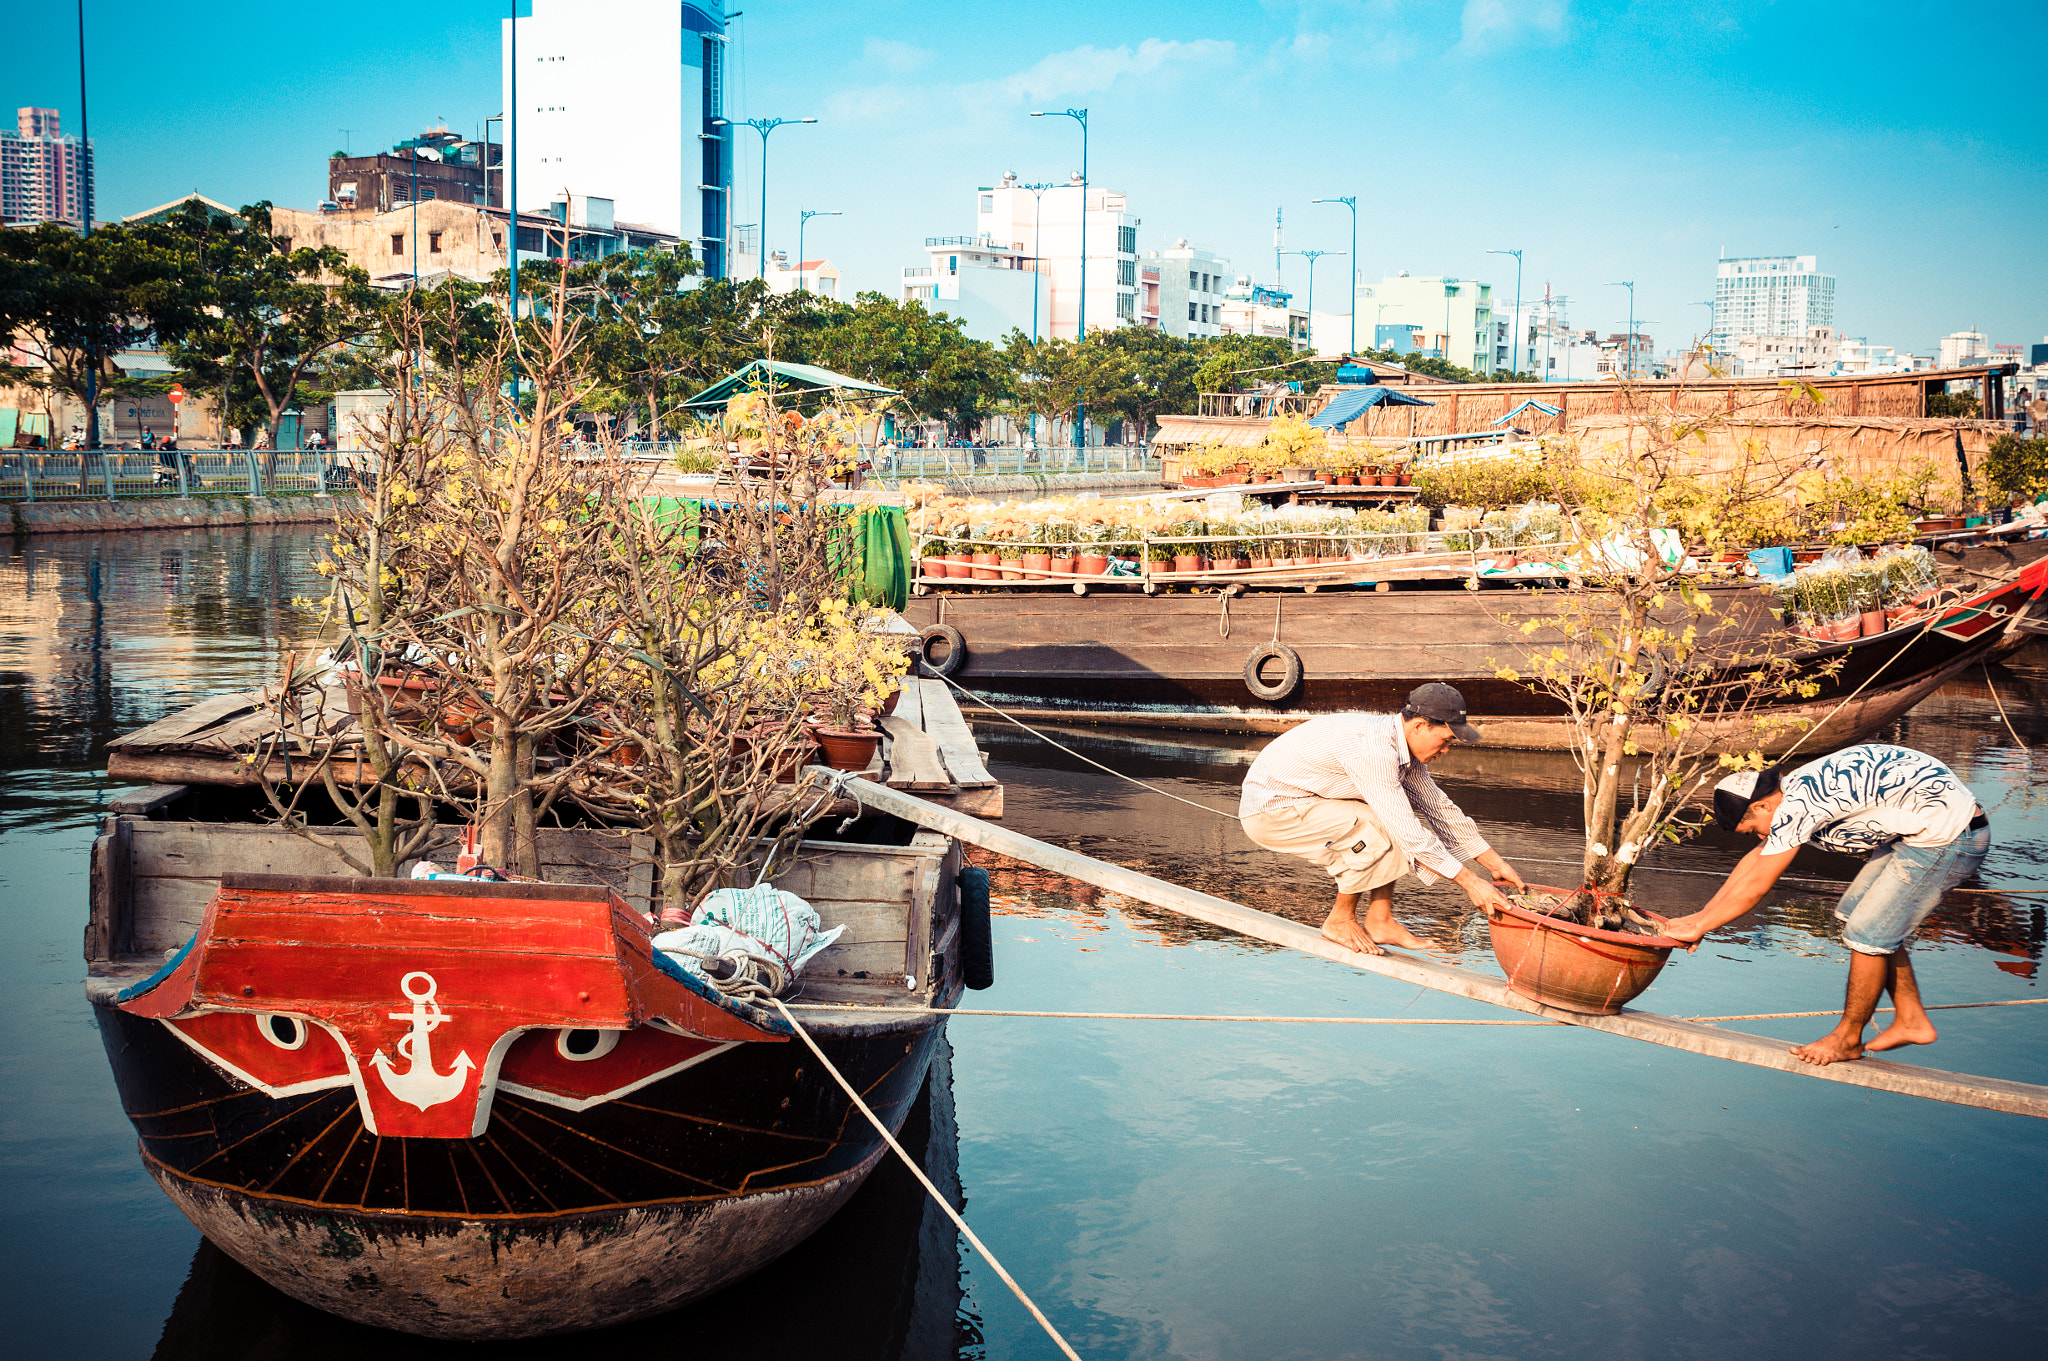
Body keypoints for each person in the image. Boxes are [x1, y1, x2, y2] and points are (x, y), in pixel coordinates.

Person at [1663, 744, 1990, 1066]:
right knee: (1858, 918)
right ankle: (1910, 1018)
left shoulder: (1797, 807)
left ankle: (1848, 1039)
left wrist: (1702, 927)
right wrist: (1701, 917)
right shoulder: (1789, 790)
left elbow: (1757, 887)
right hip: (1920, 830)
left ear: (1762, 806)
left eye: (1751, 829)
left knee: (1868, 936)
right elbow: (1757, 860)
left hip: (1950, 837)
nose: (1757, 836)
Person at [1238, 683, 1524, 955]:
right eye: (1446, 740)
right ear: (1420, 725)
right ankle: (1340, 920)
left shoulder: (1403, 748)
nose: (1447, 750)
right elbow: (1408, 834)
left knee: (1391, 824)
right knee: (1381, 827)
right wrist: (1472, 883)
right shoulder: (1373, 749)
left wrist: (1495, 864)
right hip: (1271, 809)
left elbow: (1439, 808)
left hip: (1306, 801)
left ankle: (1379, 920)